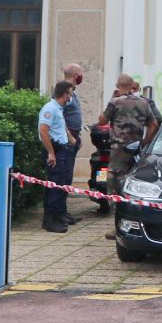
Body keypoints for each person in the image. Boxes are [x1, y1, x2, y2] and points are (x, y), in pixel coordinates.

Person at [97, 74, 162, 192]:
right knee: (133, 178)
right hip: (136, 148)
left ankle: (114, 207)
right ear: (132, 86)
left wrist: (111, 100)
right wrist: (143, 143)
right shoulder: (143, 103)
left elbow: (102, 121)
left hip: (119, 148)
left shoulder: (115, 102)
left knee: (114, 178)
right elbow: (154, 125)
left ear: (117, 86)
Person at [38, 80, 75, 234]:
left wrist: (70, 137)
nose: (71, 97)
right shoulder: (49, 109)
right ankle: (50, 221)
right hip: (54, 150)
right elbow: (43, 131)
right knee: (54, 186)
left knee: (61, 184)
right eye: (71, 93)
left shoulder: (58, 109)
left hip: (62, 149)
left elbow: (61, 126)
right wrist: (51, 153)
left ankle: (59, 216)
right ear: (65, 95)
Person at [58, 63, 87, 225]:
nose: (82, 76)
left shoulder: (72, 92)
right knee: (65, 175)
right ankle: (60, 212)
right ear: (76, 74)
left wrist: (78, 135)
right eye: (81, 73)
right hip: (68, 139)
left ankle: (64, 211)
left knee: (68, 176)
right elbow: (60, 115)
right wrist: (70, 136)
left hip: (74, 137)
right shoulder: (65, 91)